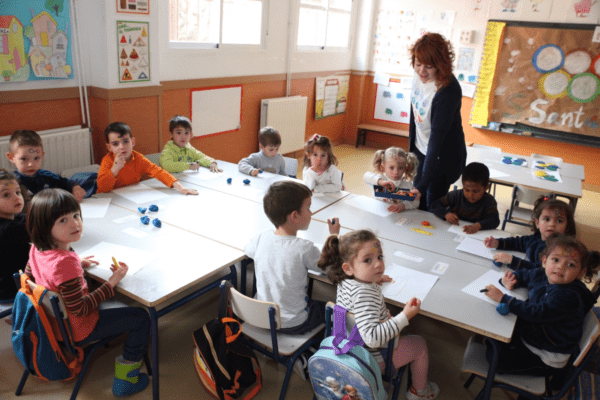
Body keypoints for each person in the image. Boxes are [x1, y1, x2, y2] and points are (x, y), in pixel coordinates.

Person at [24, 189, 151, 396]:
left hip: (53, 325)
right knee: (141, 317)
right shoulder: (66, 263)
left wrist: (77, 265)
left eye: (75, 215)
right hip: (79, 329)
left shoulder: (35, 249)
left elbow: (31, 276)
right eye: (63, 221)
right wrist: (112, 283)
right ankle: (125, 380)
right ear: (45, 228)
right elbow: (81, 309)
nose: (75, 223)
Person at [318, 230, 440, 400]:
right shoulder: (365, 295)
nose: (378, 265)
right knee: (419, 344)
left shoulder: (345, 280)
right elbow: (372, 339)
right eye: (368, 260)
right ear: (348, 268)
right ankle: (419, 392)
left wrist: (372, 279)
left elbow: (357, 302)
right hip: (371, 358)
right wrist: (405, 316)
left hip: (346, 347)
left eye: (379, 257)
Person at [483, 234, 600, 377]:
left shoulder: (569, 297)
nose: (560, 267)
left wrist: (504, 299)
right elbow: (526, 274)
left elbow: (536, 313)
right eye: (555, 259)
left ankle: (559, 376)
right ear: (544, 261)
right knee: (495, 334)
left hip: (549, 355)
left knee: (495, 359)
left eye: (571, 264)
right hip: (538, 334)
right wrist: (511, 280)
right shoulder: (544, 273)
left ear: (580, 273)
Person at [245, 181, 339, 335]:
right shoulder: (305, 248)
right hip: (292, 323)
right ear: (295, 216)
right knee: (333, 310)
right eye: (308, 208)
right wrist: (334, 236)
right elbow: (330, 266)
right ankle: (319, 351)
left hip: (262, 317)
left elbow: (248, 249)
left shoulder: (262, 238)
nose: (311, 212)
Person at [409, 33, 467, 210]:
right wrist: (410, 153)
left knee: (432, 205)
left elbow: (436, 140)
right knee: (416, 202)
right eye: (418, 64)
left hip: (443, 157)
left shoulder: (448, 91)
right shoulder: (418, 76)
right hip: (421, 150)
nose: (421, 71)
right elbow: (414, 113)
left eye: (429, 66)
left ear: (441, 65)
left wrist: (423, 185)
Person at [97, 122, 198, 195]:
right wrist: (114, 169)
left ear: (132, 142)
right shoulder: (107, 161)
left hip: (130, 196)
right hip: (110, 199)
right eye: (115, 144)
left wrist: (179, 186)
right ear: (109, 147)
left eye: (125, 141)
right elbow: (103, 188)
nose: (121, 147)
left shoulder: (138, 159)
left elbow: (157, 171)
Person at [484, 197, 575, 270]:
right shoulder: (537, 238)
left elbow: (542, 271)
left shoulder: (559, 250)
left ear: (567, 226)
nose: (552, 224)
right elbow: (519, 242)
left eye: (559, 221)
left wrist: (512, 260)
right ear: (537, 223)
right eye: (547, 219)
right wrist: (498, 243)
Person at [6, 130, 87, 202]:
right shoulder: (11, 182)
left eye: (36, 158)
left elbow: (68, 182)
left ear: (42, 156)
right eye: (24, 159)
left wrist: (76, 188)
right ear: (11, 157)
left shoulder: (47, 176)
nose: (31, 164)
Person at [430, 162, 499, 234]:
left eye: (476, 191)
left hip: (475, 235)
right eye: (467, 190)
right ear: (463, 185)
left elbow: (494, 220)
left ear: (486, 188)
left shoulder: (489, 201)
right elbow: (435, 205)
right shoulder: (456, 195)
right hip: (452, 232)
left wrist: (479, 225)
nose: (470, 195)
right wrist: (446, 214)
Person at [0, 169, 29, 303]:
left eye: (17, 192)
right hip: (11, 290)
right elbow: (42, 234)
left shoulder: (11, 220)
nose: (17, 197)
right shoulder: (11, 229)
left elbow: (22, 218)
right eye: (6, 195)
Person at [363, 147, 421, 212]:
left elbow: (415, 204)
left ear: (405, 168)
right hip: (377, 213)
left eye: (400, 168)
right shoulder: (380, 179)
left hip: (397, 217)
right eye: (391, 168)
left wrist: (405, 205)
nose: (396, 172)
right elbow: (366, 176)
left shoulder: (408, 185)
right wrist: (380, 182)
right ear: (383, 167)